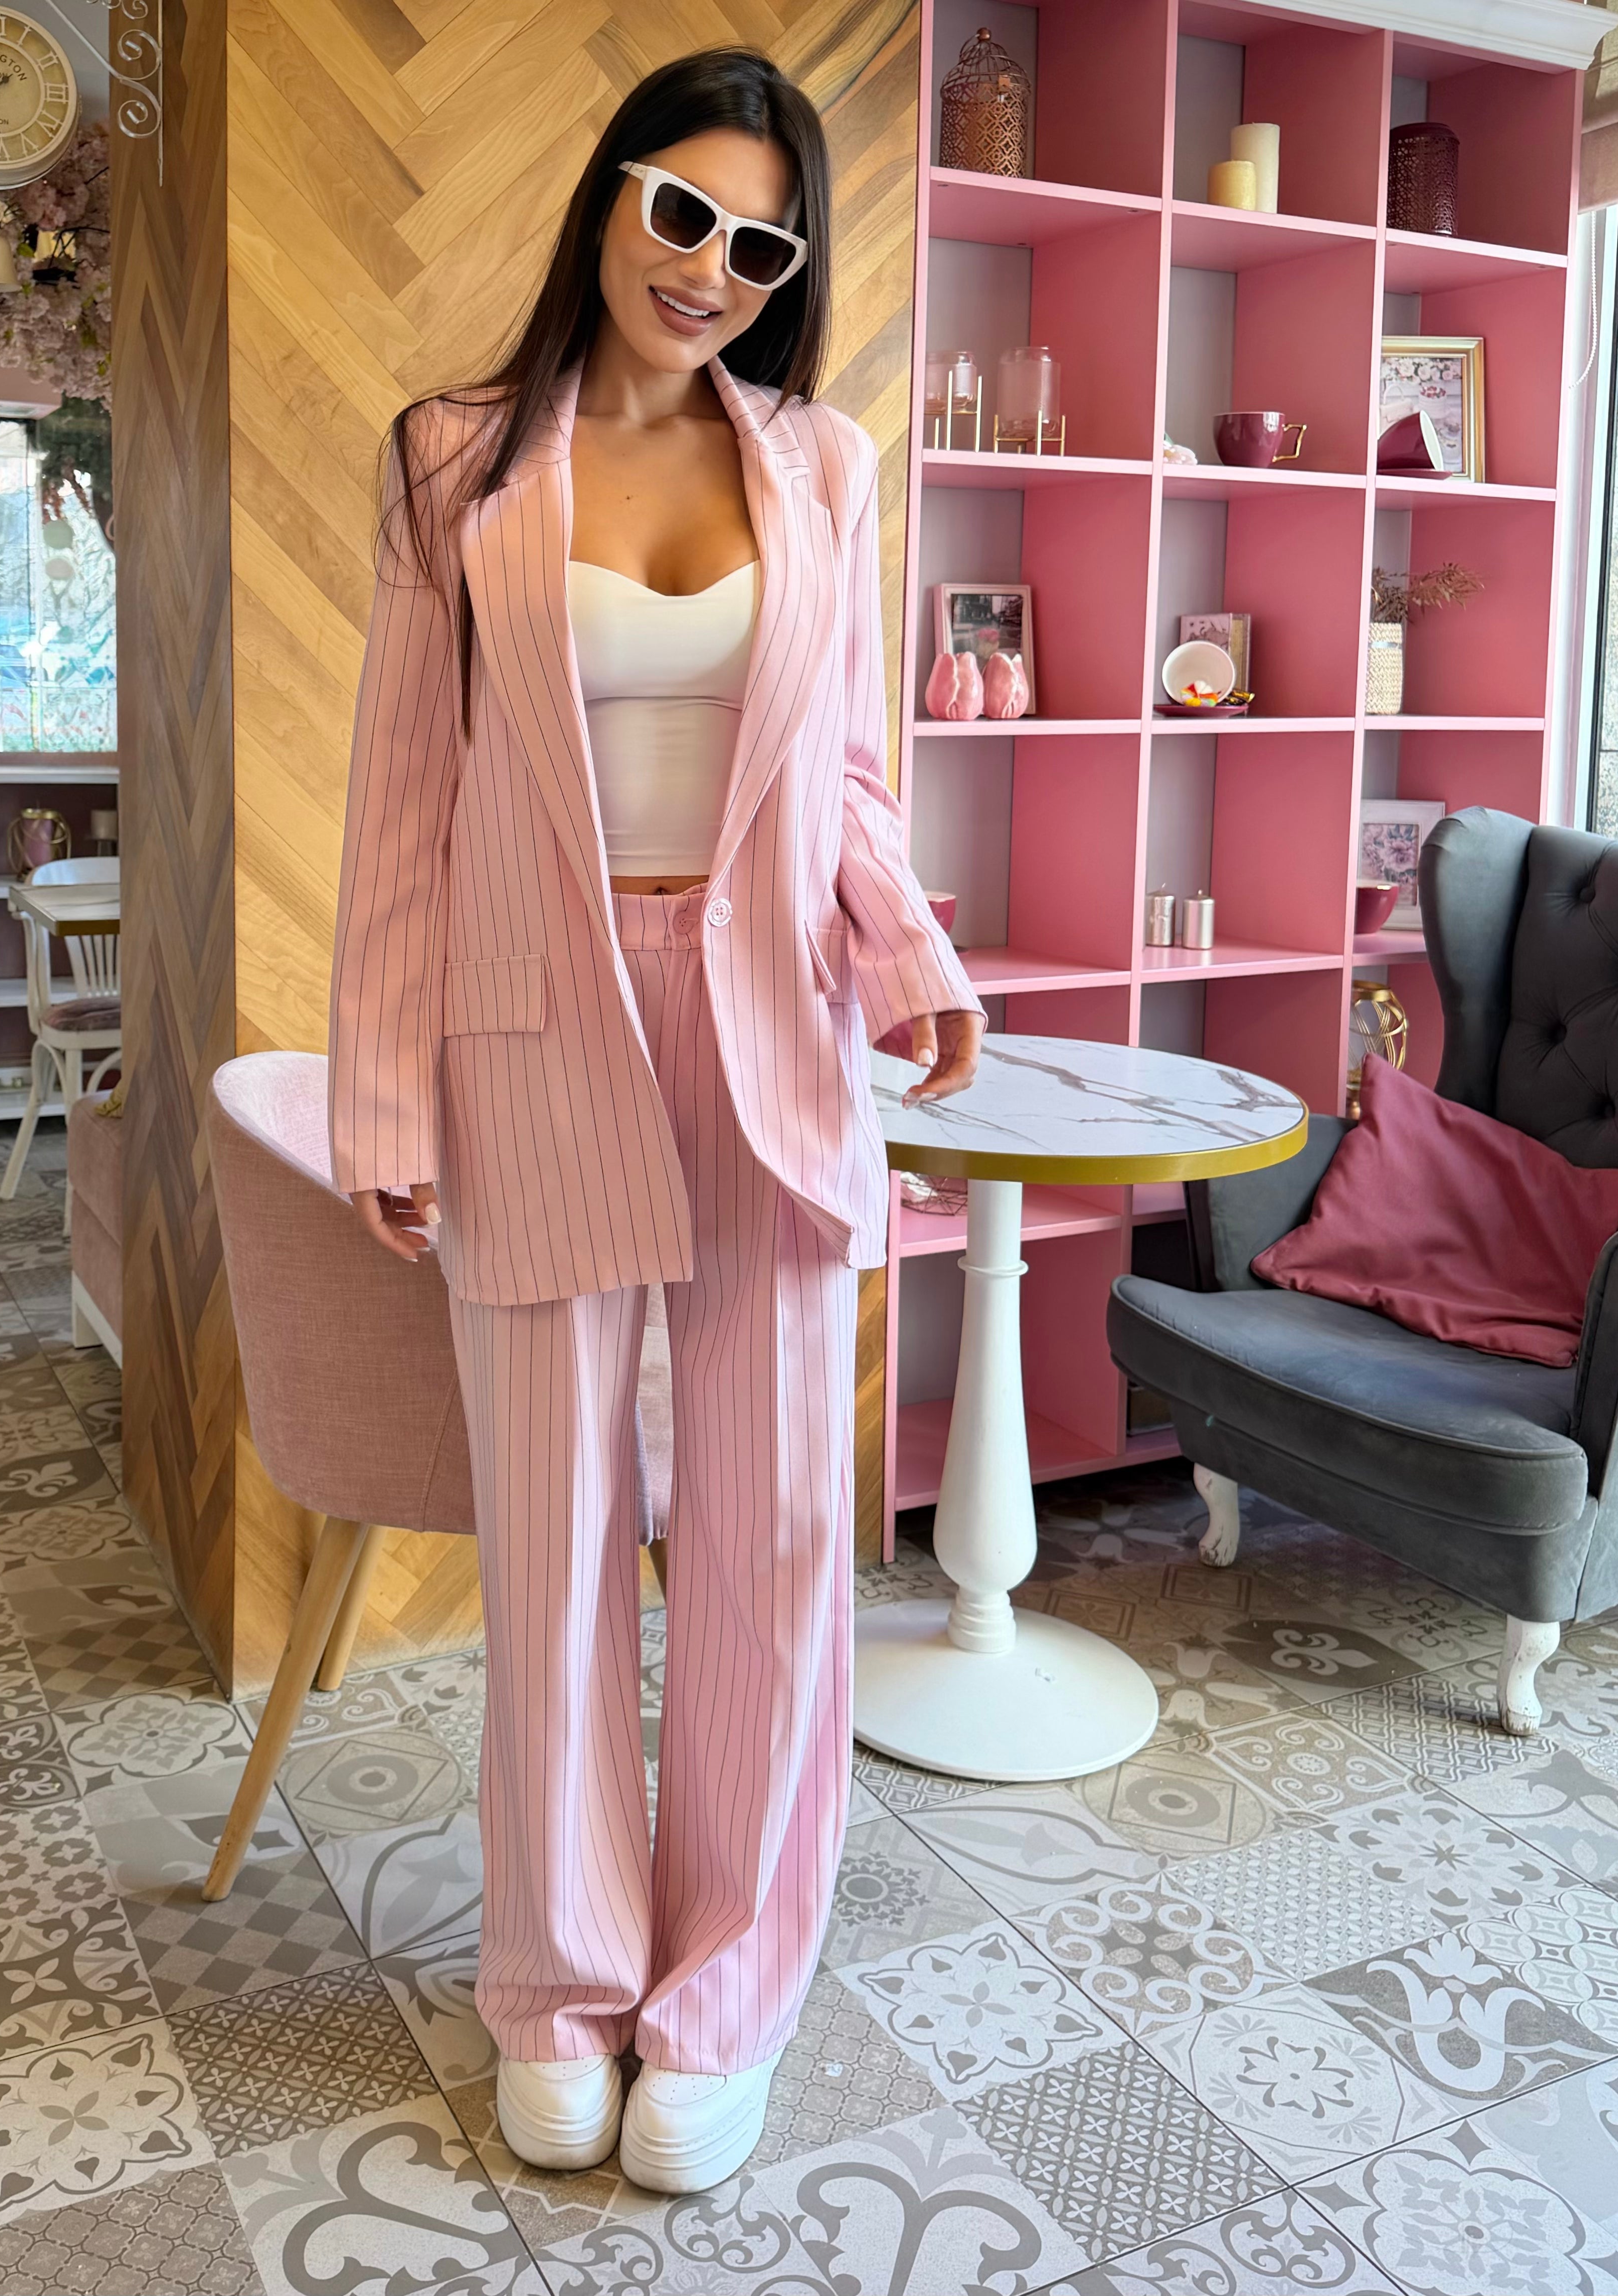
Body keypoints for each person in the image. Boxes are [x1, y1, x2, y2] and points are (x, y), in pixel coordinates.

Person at [329, 46, 983, 2195]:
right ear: (609, 199)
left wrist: (911, 962)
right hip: (533, 1028)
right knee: (550, 1538)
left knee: (776, 1542)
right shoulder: (453, 458)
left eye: (758, 244)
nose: (709, 267)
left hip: (771, 1025)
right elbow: (402, 805)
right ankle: (557, 1982)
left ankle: (722, 1993)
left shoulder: (823, 463)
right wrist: (384, 1087)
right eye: (680, 212)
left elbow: (847, 776)